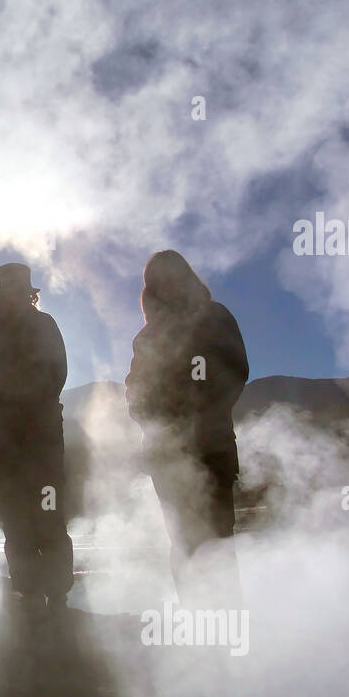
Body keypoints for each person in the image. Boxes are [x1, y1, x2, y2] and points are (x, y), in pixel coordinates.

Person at [124, 249, 248, 610]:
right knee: (183, 542)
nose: (165, 287)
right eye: (156, 282)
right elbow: (135, 393)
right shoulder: (147, 339)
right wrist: (159, 423)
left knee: (217, 544)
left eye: (170, 278)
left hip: (211, 450)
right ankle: (196, 630)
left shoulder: (213, 318)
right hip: (167, 457)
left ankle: (225, 630)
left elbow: (234, 373)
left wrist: (194, 417)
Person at [0, 263, 73, 615]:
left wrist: (26, 400)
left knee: (41, 505)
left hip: (26, 423)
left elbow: (58, 371)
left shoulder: (39, 325)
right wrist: (26, 400)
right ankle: (35, 590)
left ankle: (52, 591)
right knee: (22, 507)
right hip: (16, 424)